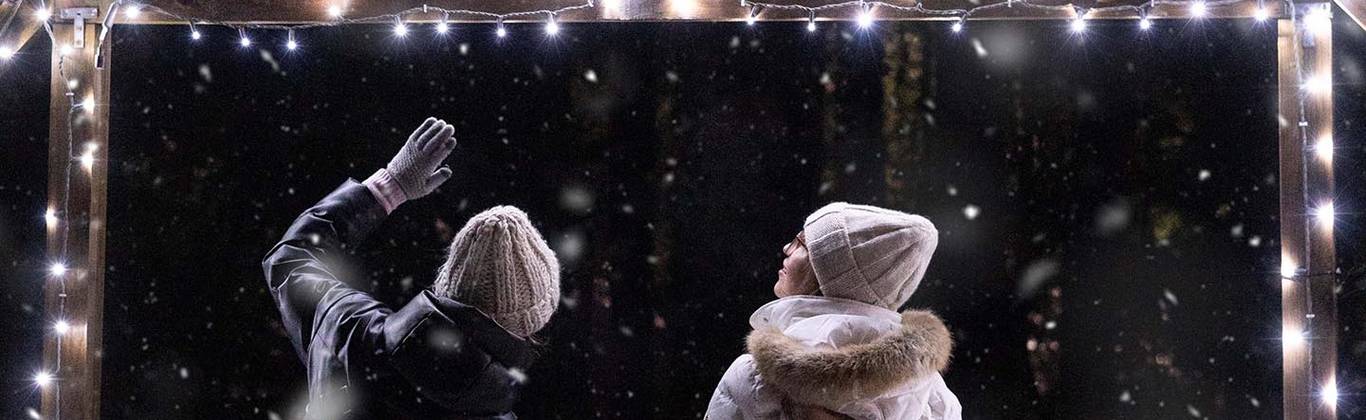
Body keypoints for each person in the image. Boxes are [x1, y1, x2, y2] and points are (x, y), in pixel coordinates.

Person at [262, 118, 560, 419]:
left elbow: (291, 258)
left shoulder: (349, 331)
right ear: (530, 326)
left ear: (449, 283)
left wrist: (386, 189)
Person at [706, 203, 961, 420]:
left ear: (826, 274)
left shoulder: (754, 379)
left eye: (801, 244)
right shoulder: (933, 395)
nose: (787, 248)